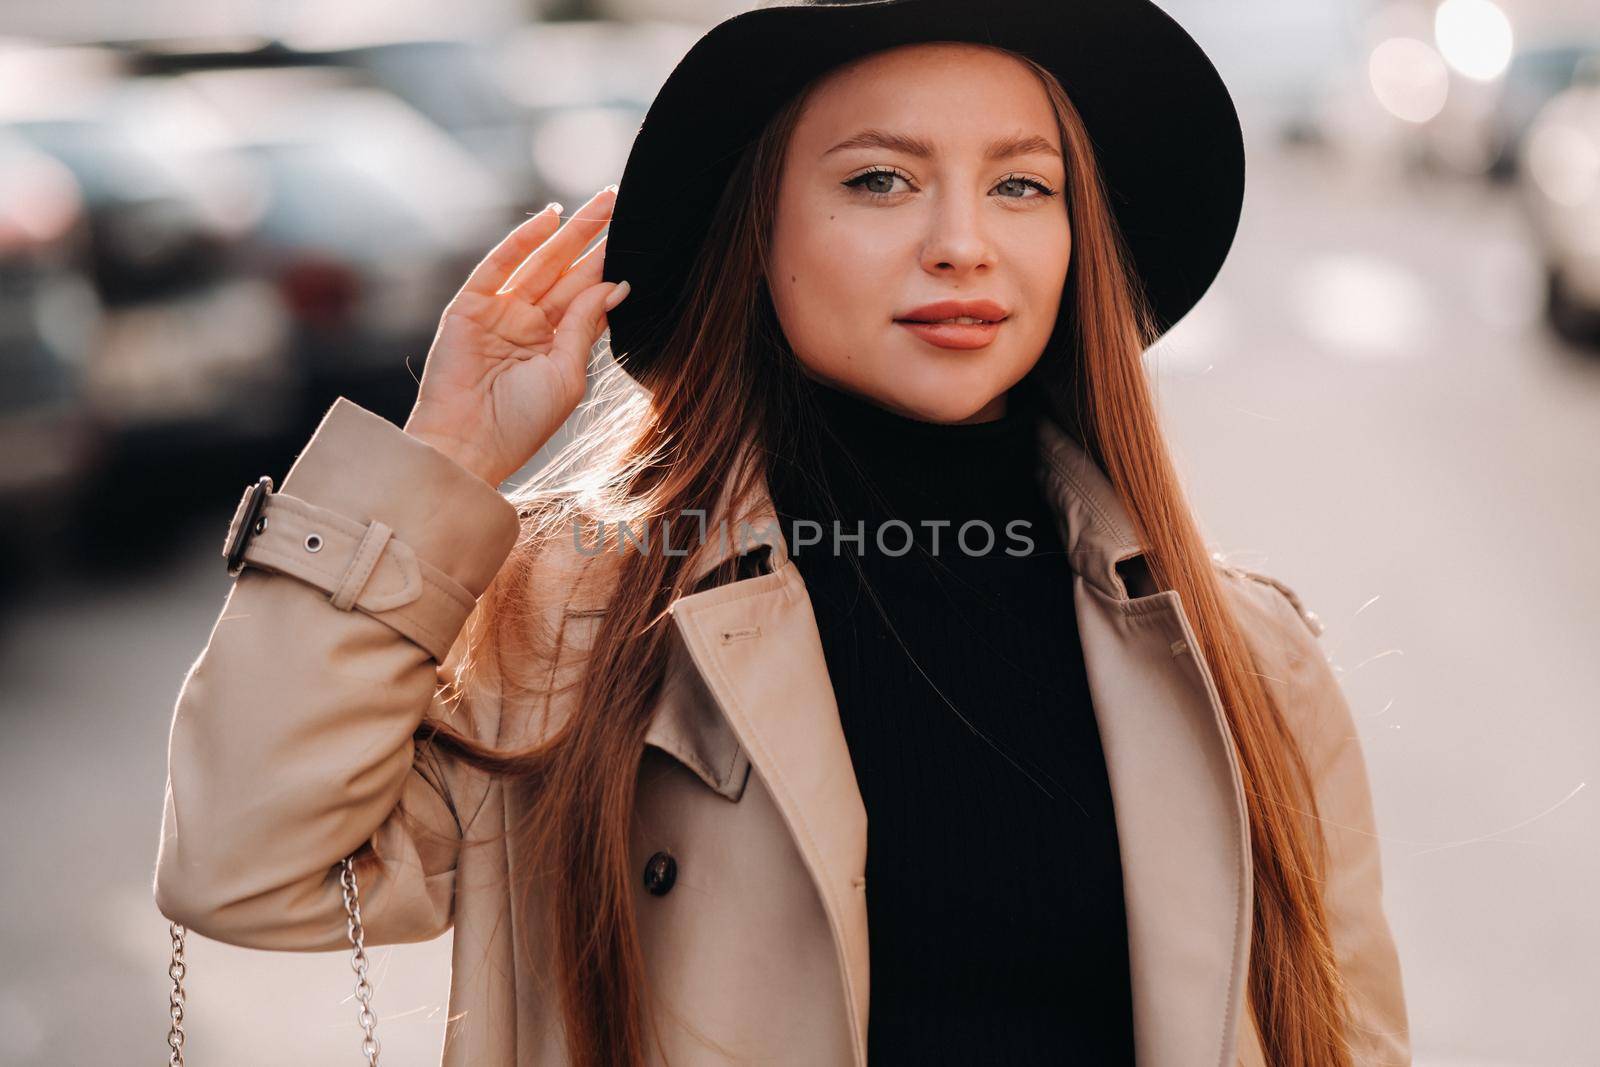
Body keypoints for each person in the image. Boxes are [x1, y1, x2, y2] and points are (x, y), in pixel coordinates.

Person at [153, 1, 1411, 1065]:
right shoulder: (579, 619)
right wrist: (441, 466)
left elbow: (1342, 1029)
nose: (963, 243)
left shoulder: (1242, 657)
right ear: (757, 232)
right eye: (881, 180)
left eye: (1022, 186)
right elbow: (251, 863)